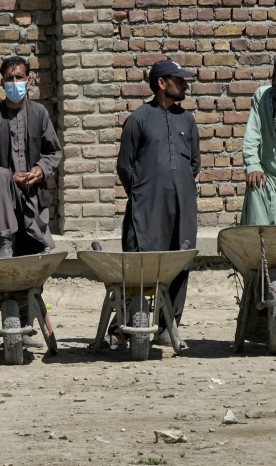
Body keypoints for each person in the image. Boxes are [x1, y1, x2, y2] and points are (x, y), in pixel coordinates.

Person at [116, 57, 200, 348]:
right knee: (142, 264)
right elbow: (125, 167)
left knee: (180, 261)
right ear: (161, 84)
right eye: (179, 80)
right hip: (146, 208)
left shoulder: (187, 120)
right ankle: (128, 324)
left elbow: (194, 163)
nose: (185, 84)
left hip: (183, 206)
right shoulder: (138, 119)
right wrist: (143, 194)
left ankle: (167, 326)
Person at [0, 55, 62, 259]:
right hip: (2, 195)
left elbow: (53, 152)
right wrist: (9, 178)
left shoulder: (39, 113)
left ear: (29, 80)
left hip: (33, 191)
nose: (15, 83)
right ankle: (4, 242)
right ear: (2, 82)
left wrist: (40, 170)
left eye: (19, 78)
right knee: (2, 175)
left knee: (37, 252)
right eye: (10, 78)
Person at [240, 65, 276, 225]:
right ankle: (259, 248)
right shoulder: (262, 96)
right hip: (269, 174)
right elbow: (252, 136)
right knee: (255, 183)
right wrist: (253, 166)